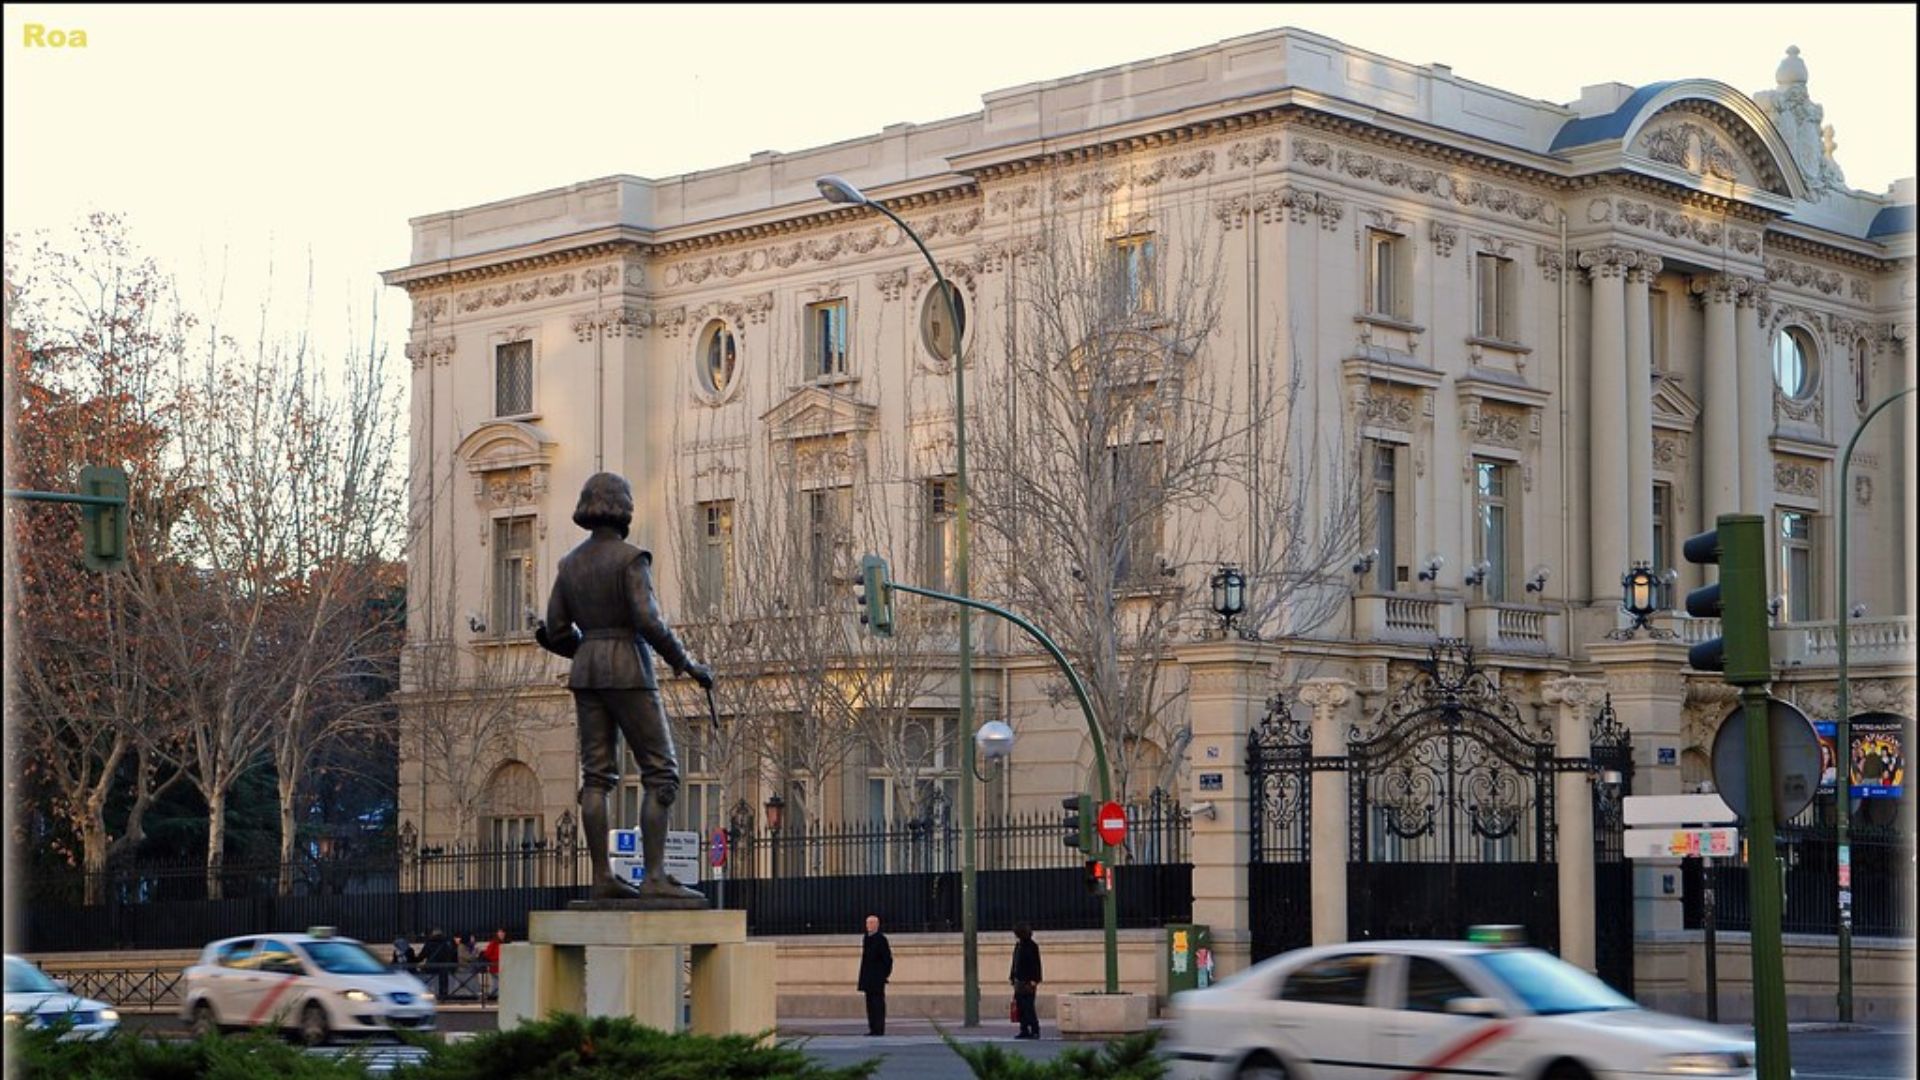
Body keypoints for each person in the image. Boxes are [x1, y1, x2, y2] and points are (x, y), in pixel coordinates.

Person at [535, 472, 715, 902]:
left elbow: (555, 630)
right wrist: (687, 664)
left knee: (596, 776)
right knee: (662, 772)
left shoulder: (569, 565)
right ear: (623, 507)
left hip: (587, 672)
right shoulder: (632, 559)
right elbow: (648, 620)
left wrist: (586, 651)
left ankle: (602, 876)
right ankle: (654, 876)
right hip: (628, 668)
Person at [857, 914, 893, 1036]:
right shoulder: (866, 938)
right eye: (868, 923)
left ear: (877, 925)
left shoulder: (881, 939)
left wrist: (884, 975)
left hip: (877, 978)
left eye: (872, 923)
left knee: (878, 1004)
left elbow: (887, 959)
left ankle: (879, 1028)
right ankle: (872, 1027)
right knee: (870, 1004)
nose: (869, 926)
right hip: (868, 977)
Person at [1008, 923, 1043, 1039]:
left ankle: (1035, 1029)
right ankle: (1024, 1029)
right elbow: (1015, 963)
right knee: (1021, 1007)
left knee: (1029, 1007)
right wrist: (1012, 976)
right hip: (1019, 980)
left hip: (1028, 981)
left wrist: (1035, 979)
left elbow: (1036, 964)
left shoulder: (1032, 946)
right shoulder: (1018, 945)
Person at [421, 928, 455, 999]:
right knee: (442, 986)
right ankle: (442, 998)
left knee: (431, 985)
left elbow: (422, 955)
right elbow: (449, 955)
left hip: (431, 968)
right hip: (443, 969)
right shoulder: (445, 944)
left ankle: (432, 997)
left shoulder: (428, 944)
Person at [480, 928, 507, 1000]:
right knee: (496, 982)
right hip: (495, 966)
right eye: (500, 932)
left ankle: (495, 996)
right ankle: (493, 996)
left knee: (498, 982)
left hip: (502, 966)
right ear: (497, 933)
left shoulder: (504, 943)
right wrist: (495, 959)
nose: (501, 934)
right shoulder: (494, 943)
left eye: (503, 933)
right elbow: (487, 954)